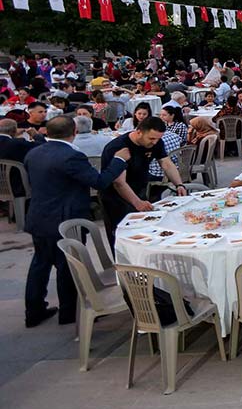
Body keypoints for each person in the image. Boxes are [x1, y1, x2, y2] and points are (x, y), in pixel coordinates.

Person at [23, 116, 130, 327]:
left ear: (47, 132)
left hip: (38, 215)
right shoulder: (71, 156)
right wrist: (118, 161)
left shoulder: (33, 153)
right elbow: (98, 181)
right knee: (68, 265)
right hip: (65, 217)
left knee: (40, 263)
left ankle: (34, 311)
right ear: (73, 132)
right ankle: (69, 312)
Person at [99, 117, 187, 245]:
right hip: (115, 197)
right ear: (139, 132)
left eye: (158, 139)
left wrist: (179, 184)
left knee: (144, 232)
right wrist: (137, 202)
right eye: (151, 138)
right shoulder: (119, 147)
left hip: (139, 188)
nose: (155, 142)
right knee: (122, 236)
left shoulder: (156, 142)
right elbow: (119, 182)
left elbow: (166, 163)